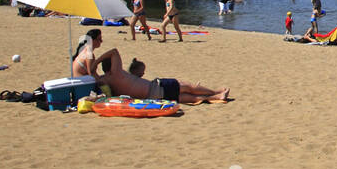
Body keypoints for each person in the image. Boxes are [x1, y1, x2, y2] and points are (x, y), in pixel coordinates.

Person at [88, 49, 230, 103]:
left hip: (152, 97)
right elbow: (114, 51)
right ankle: (216, 93)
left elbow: (92, 74)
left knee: (185, 98)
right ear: (112, 65)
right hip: (156, 87)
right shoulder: (117, 73)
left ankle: (216, 97)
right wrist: (97, 61)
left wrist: (93, 68)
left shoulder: (104, 80)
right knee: (189, 87)